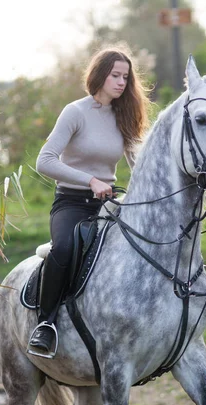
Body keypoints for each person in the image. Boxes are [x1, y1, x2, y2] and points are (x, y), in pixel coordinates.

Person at [27, 46, 150, 357]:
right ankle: (46, 324)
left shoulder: (126, 115)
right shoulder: (75, 112)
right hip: (71, 203)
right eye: (115, 76)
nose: (122, 82)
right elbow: (45, 161)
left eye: (126, 77)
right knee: (66, 248)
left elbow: (137, 163)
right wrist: (90, 180)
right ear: (100, 75)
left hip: (108, 205)